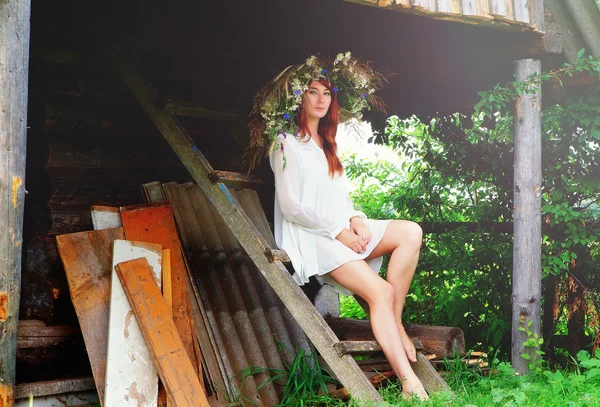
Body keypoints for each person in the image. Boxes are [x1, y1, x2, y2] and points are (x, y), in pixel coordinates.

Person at [248, 53, 428, 400]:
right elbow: (291, 206)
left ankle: (397, 324)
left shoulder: (328, 143)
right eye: (312, 91)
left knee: (410, 232)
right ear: (298, 97)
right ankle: (410, 383)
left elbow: (339, 199)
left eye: (326, 93)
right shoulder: (284, 143)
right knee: (381, 292)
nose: (319, 99)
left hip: (338, 228)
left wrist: (356, 219)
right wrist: (338, 230)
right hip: (313, 239)